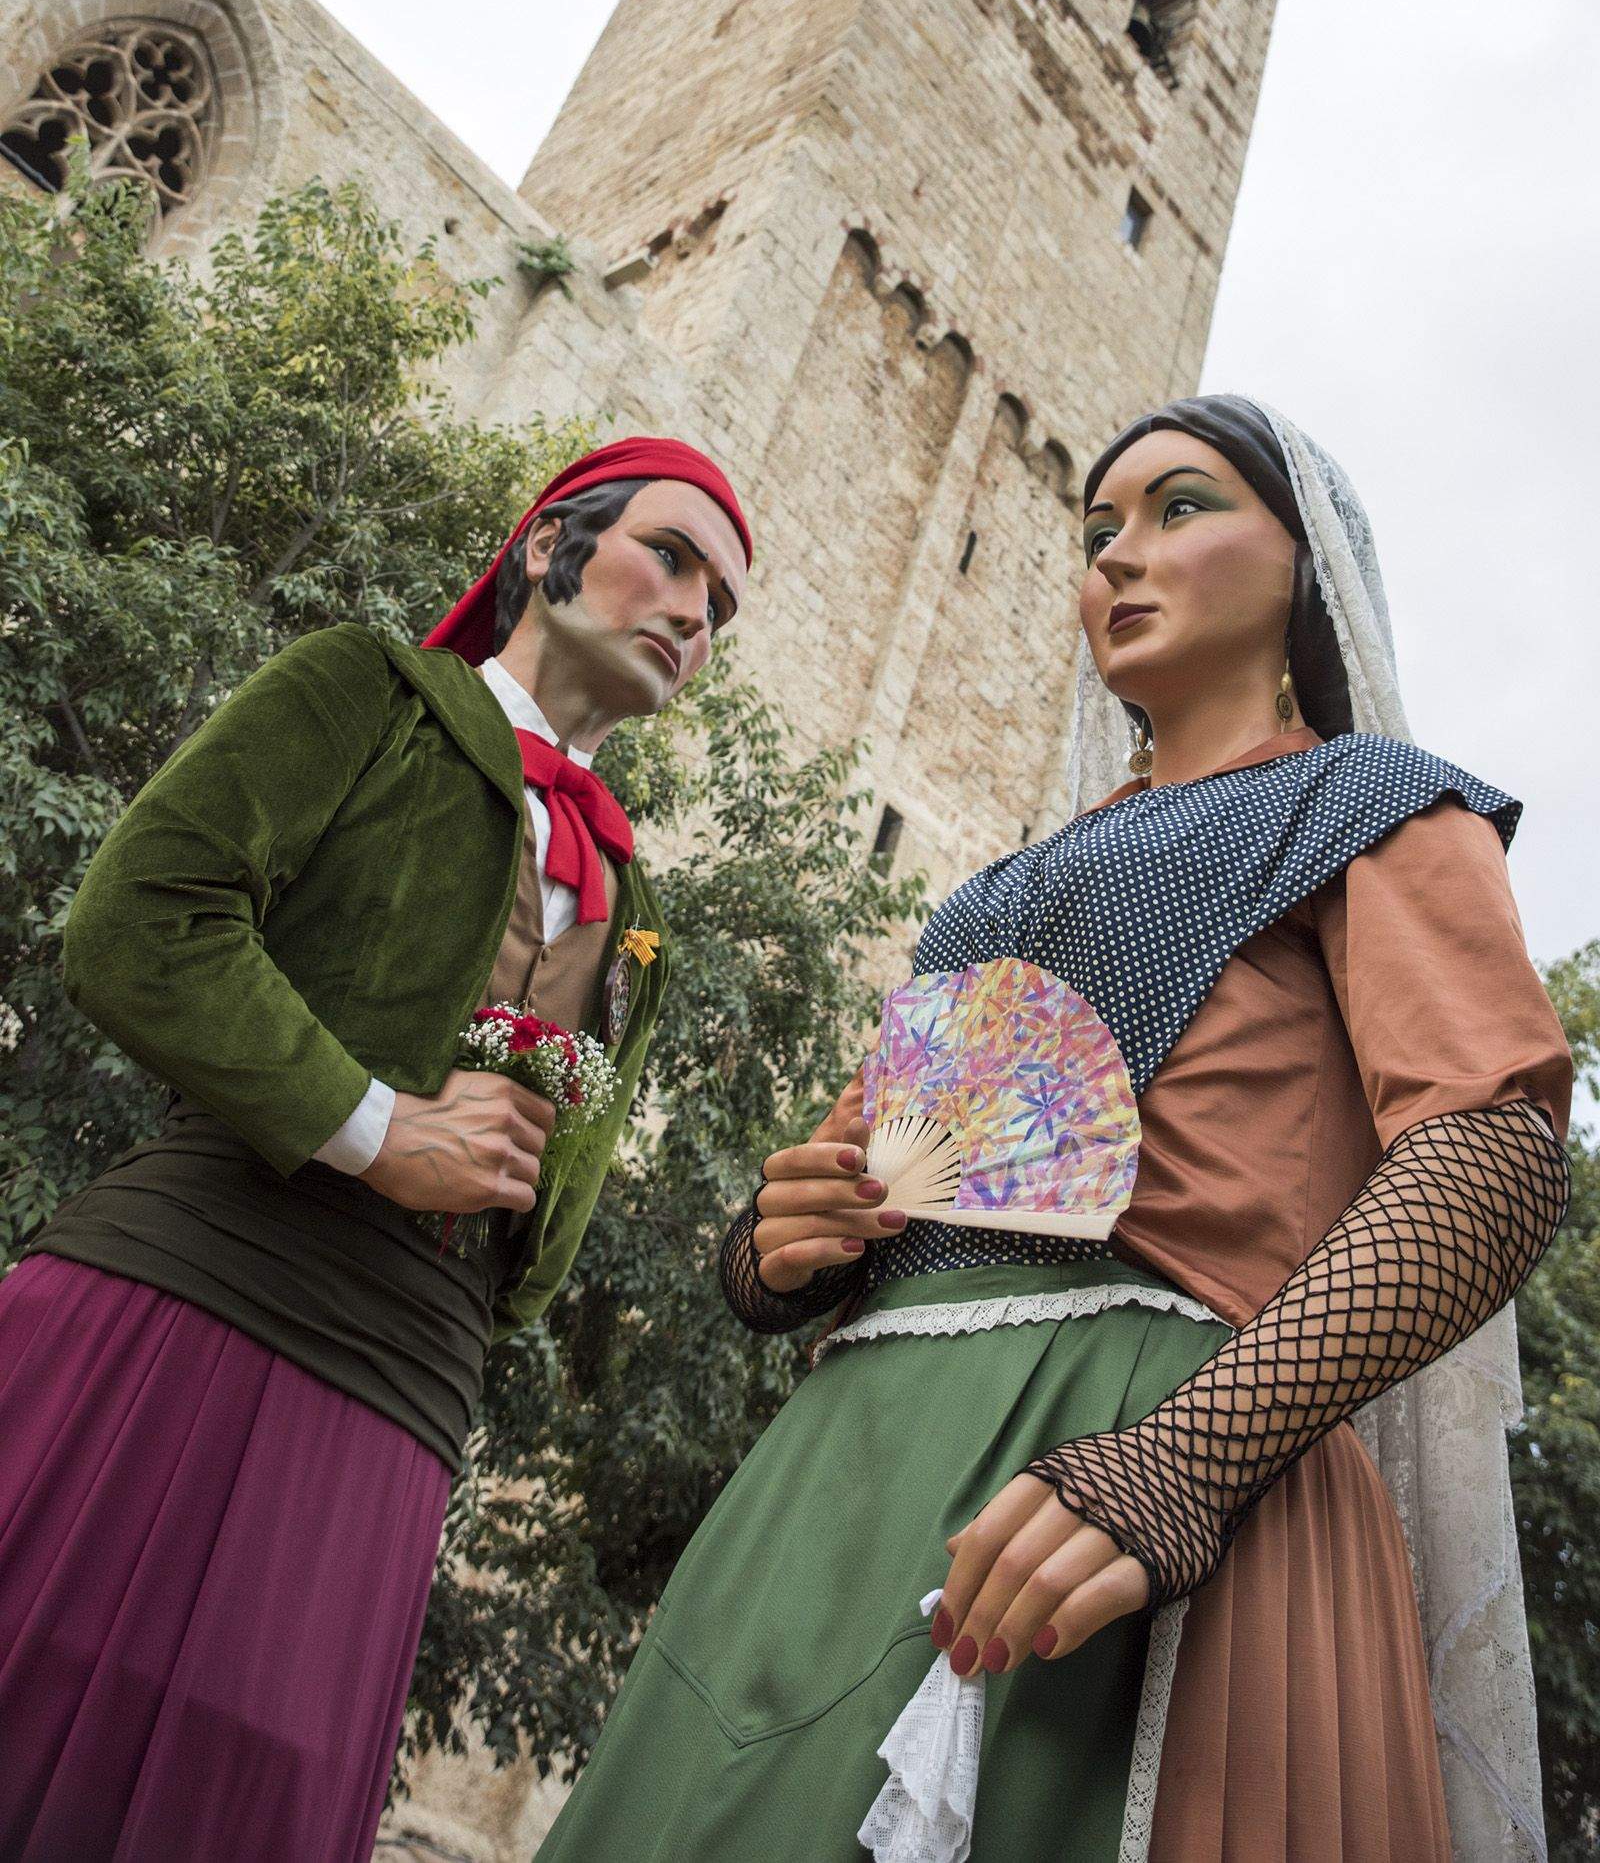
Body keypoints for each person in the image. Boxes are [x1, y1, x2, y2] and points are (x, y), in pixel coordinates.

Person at [533, 397, 1570, 1863]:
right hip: (837, 1482)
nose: (1118, 558)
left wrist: (1185, 1461)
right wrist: (778, 1243)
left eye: (1180, 509)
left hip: (1148, 1460)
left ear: (1302, 565)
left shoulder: (1373, 802)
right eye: (1096, 535)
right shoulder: (1004, 889)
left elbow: (1488, 1155)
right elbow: (860, 1183)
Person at [0, 435, 752, 1863]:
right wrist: (375, 1126)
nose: (694, 611)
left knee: (243, 1814)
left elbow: (557, 1209)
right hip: (183, 1298)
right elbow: (139, 919)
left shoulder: (638, 905)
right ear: (549, 546)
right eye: (670, 556)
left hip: (398, 1402)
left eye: (720, 604)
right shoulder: (366, 692)